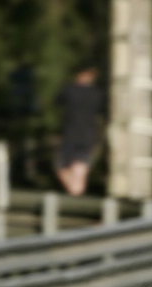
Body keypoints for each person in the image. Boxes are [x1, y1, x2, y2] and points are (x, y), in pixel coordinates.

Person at [55, 65, 104, 196]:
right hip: (89, 135)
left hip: (71, 134)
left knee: (63, 167)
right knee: (79, 167)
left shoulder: (69, 90)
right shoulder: (97, 93)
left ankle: (74, 192)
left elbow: (58, 101)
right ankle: (76, 192)